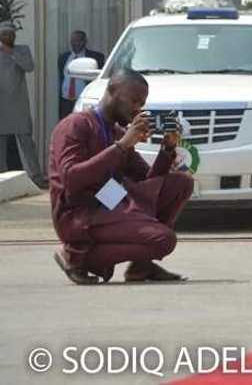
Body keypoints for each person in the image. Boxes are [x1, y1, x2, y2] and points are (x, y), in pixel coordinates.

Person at [48, 69, 192, 284]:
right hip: (79, 213)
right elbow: (71, 179)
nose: (138, 109)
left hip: (109, 203)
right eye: (134, 101)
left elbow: (148, 180)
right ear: (112, 91)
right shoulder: (76, 125)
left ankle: (141, 267)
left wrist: (167, 149)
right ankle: (76, 256)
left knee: (181, 183)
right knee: (163, 239)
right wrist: (123, 145)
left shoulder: (116, 132)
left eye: (141, 104)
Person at [0, 21, 45, 187]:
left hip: (19, 106)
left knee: (27, 143)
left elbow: (29, 67)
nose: (8, 37)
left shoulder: (22, 50)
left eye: (11, 34)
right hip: (1, 108)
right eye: (5, 34)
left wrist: (11, 53)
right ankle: (4, 181)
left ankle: (37, 177)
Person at [58, 30, 105, 120]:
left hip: (83, 100)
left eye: (78, 41)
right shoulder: (63, 57)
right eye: (73, 41)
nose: (75, 43)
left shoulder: (96, 57)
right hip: (66, 101)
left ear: (84, 41)